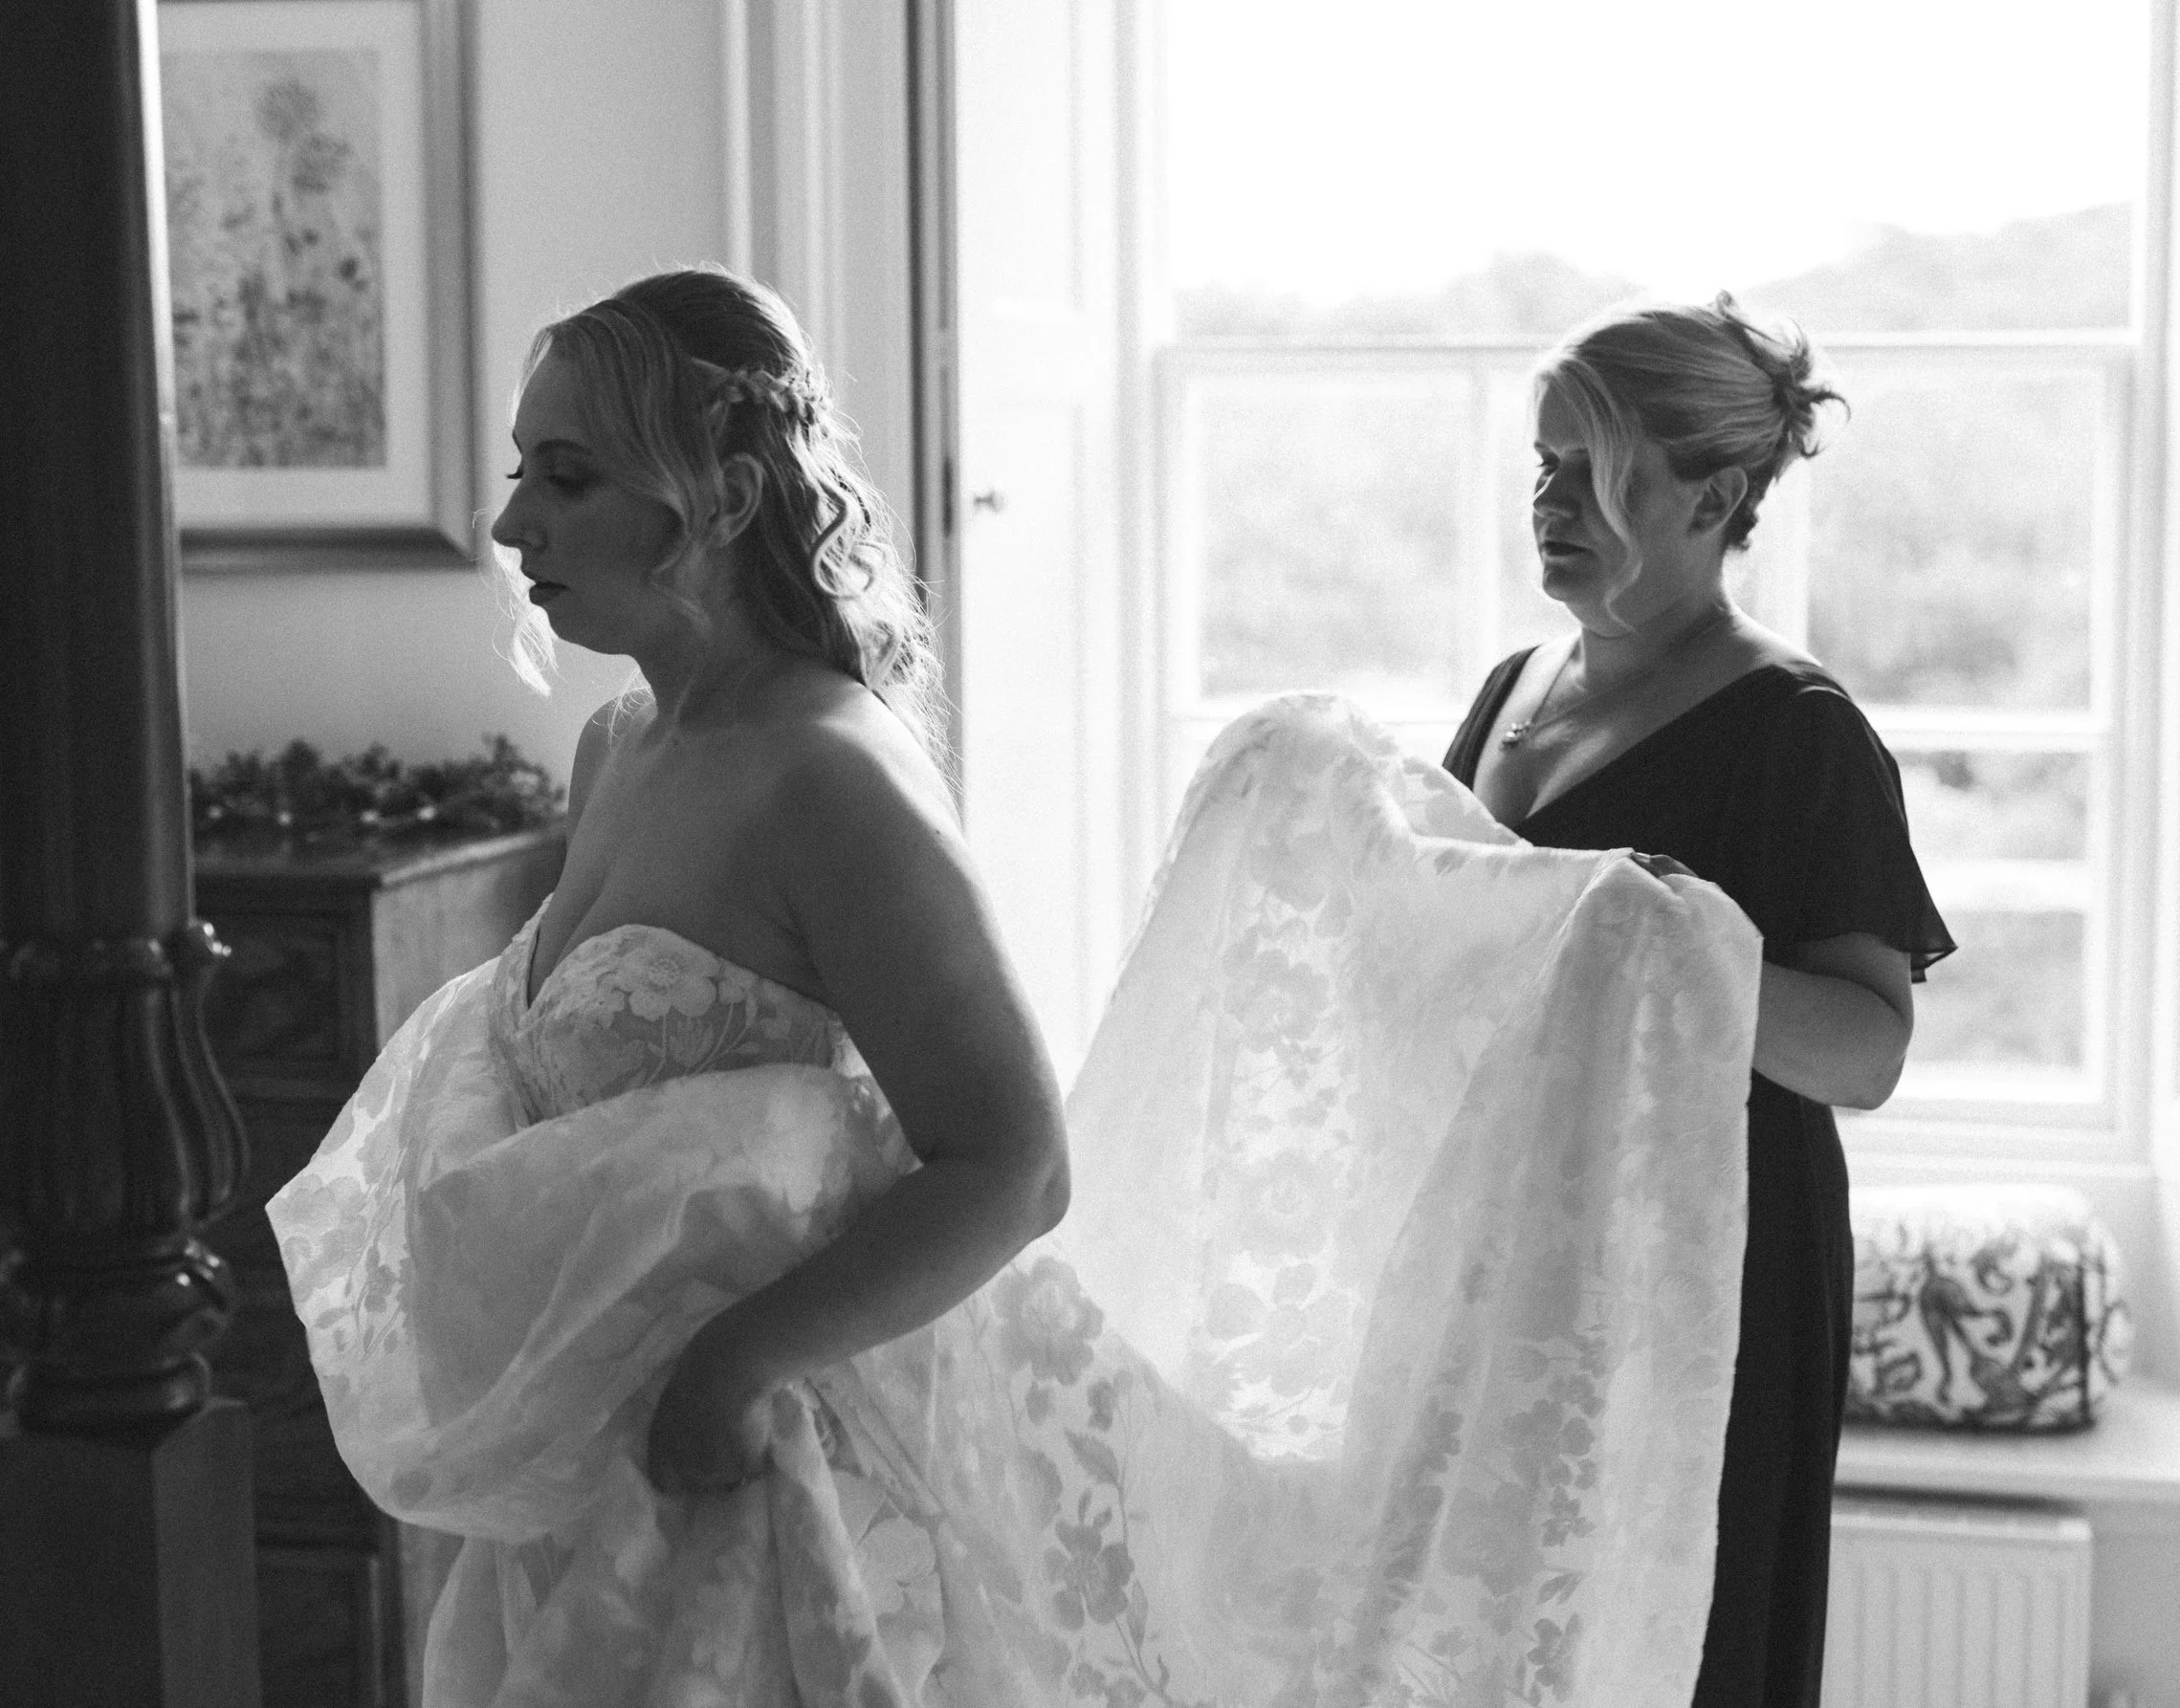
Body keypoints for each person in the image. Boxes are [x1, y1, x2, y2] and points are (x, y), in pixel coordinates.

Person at [274, 266, 1773, 1707]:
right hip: (602, 1474)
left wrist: (742, 1357)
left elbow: (1016, 1164)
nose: (512, 515)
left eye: (569, 473)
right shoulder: (618, 745)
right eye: (524, 467)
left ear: (719, 496)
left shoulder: (831, 776)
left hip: (784, 1474)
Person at [1443, 295, 1955, 1708]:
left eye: (1589, 469)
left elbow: (1866, 1052)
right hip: (1517, 1244)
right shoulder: (1510, 690)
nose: (1546, 500)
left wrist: (1689, 945)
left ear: (1715, 494)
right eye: (1539, 465)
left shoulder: (1800, 730)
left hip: (1706, 1270)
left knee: (1676, 1654)